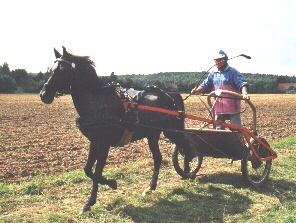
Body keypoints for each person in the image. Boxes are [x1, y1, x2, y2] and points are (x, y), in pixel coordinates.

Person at [191, 50, 250, 130]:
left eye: (220, 60)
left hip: (232, 108)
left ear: (225, 60)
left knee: (236, 131)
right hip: (218, 109)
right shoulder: (213, 74)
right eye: (216, 60)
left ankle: (239, 141)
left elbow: (242, 84)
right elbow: (205, 85)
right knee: (218, 132)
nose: (217, 62)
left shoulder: (233, 72)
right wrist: (197, 90)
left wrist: (244, 93)